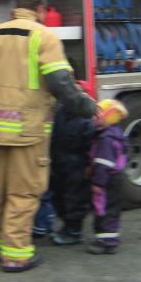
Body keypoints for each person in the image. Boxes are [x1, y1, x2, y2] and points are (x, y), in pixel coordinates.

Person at [0, 0, 97, 272]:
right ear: (40, 10)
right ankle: (15, 255)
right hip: (28, 131)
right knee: (22, 193)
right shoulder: (44, 36)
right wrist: (87, 107)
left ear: (16, 9)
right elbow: (61, 83)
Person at [49, 89, 96, 246]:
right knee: (60, 195)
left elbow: (91, 146)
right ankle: (66, 226)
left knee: (75, 198)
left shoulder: (85, 119)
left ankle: (74, 231)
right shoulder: (61, 112)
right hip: (61, 163)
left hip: (77, 166)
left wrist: (90, 166)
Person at [86, 99, 129, 255]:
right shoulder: (114, 134)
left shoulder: (105, 139)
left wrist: (98, 183)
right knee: (109, 209)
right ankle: (107, 237)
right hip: (114, 178)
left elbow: (103, 163)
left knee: (104, 209)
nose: (93, 118)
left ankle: (107, 241)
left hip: (107, 180)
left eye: (97, 115)